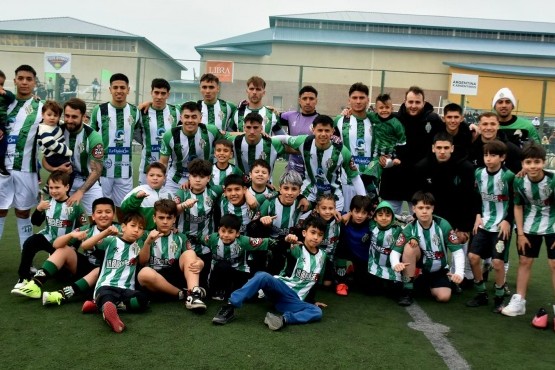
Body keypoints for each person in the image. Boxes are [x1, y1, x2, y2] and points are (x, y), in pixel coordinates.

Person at [212, 216, 328, 331]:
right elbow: (280, 248)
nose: (316, 237)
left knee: (316, 311)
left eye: (320, 234)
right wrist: (287, 240)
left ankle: (281, 320)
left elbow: (314, 281)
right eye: (313, 232)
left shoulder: (323, 256)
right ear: (304, 233)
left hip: (292, 301)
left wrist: (312, 301)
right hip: (281, 288)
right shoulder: (296, 247)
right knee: (262, 276)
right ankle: (229, 307)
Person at [12, 197, 117, 305]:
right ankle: (36, 284)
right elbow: (56, 244)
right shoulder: (87, 229)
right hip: (86, 268)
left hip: (109, 273)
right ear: (93, 216)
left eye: (108, 212)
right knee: (64, 249)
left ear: (113, 215)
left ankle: (61, 295)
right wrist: (71, 235)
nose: (103, 215)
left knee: (98, 270)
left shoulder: (121, 229)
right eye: (99, 212)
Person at [501, 143, 555, 317]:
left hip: (553, 225)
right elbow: (517, 206)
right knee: (525, 261)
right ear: (523, 164)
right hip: (529, 225)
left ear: (544, 162)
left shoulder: (552, 180)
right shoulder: (519, 180)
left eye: (537, 162)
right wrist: (521, 234)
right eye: (529, 162)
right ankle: (519, 302)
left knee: (554, 264)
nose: (533, 166)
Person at [11, 171, 87, 290]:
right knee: (30, 243)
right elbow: (35, 222)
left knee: (62, 277)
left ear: (67, 187)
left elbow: (82, 230)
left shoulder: (75, 206)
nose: (53, 191)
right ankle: (24, 277)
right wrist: (38, 209)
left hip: (64, 245)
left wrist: (74, 247)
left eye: (57, 187)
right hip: (48, 237)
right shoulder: (47, 203)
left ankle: (54, 262)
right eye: (51, 187)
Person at [274, 115, 366, 211]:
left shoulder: (342, 151)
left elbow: (355, 177)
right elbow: (284, 138)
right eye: (320, 130)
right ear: (313, 130)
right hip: (309, 191)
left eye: (327, 130)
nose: (323, 134)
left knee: (332, 223)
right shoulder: (304, 141)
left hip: (333, 194)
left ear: (332, 131)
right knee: (301, 219)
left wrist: (364, 199)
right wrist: (264, 137)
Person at [391, 191, 464, 306]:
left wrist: (459, 272)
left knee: (444, 297)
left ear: (432, 209)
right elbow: (395, 251)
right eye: (420, 208)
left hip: (439, 270)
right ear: (414, 209)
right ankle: (407, 290)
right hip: (422, 267)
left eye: (427, 207)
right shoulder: (409, 228)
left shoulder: (443, 225)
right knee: (409, 247)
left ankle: (428, 282)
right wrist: (395, 263)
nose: (424, 211)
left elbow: (458, 251)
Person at [466, 140, 515, 313]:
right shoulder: (479, 173)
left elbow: (515, 202)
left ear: (502, 157)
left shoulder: (509, 177)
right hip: (484, 223)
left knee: (497, 262)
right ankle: (481, 294)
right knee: (472, 257)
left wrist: (508, 220)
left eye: (493, 155)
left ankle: (500, 297)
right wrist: (478, 215)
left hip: (502, 226)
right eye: (486, 155)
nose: (488, 158)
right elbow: (476, 197)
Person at [379, 86, 444, 215]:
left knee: (416, 222)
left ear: (424, 103)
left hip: (419, 180)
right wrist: (348, 113)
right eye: (410, 102)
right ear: (404, 101)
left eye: (417, 102)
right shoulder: (393, 118)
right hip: (394, 179)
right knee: (388, 220)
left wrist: (469, 126)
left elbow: (447, 135)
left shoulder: (433, 120)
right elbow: (370, 120)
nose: (413, 105)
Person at [0, 65, 43, 250]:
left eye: (28, 79)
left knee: (23, 212)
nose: (24, 82)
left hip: (26, 169)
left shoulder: (41, 107)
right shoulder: (4, 102)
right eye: (20, 78)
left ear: (34, 82)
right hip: (2, 169)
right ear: (15, 80)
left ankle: (27, 262)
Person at [137, 199, 207, 311]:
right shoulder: (145, 235)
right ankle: (183, 294)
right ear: (154, 218)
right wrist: (148, 242)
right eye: (161, 218)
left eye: (169, 218)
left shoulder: (180, 236)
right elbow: (142, 261)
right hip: (155, 279)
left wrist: (200, 263)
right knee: (144, 274)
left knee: (190, 253)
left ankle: (193, 295)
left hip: (175, 275)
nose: (165, 221)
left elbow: (192, 257)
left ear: (174, 219)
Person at [41, 98, 104, 217]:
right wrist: (55, 169)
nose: (69, 120)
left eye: (74, 117)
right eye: (67, 116)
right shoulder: (57, 130)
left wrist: (81, 191)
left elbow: (97, 170)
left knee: (99, 216)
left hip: (88, 182)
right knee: (56, 218)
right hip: (63, 182)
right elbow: (45, 159)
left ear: (83, 116)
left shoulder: (93, 137)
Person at [90, 73, 141, 221]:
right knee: (100, 209)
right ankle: (99, 240)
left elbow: (139, 132)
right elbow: (91, 137)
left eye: (122, 87)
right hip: (102, 170)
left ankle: (121, 239)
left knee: (123, 208)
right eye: (116, 87)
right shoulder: (99, 110)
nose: (119, 90)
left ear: (128, 90)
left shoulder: (135, 111)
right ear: (110, 89)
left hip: (124, 169)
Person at [88, 212, 149, 333]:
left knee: (143, 299)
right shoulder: (111, 240)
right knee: (107, 297)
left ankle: (102, 307)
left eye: (140, 228)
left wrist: (148, 241)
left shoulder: (139, 245)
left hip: (126, 288)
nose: (136, 230)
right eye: (133, 225)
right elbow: (86, 245)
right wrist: (105, 233)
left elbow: (143, 261)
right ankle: (110, 313)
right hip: (107, 285)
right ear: (123, 226)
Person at [336, 198, 403, 297]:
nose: (359, 216)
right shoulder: (344, 220)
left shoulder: (372, 224)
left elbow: (386, 222)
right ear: (351, 210)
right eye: (356, 212)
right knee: (341, 244)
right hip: (349, 253)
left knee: (372, 290)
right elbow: (330, 212)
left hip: (366, 260)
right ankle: (341, 282)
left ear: (369, 214)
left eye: (363, 213)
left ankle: (352, 271)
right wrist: (347, 214)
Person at [175, 159, 224, 287]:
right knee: (182, 282)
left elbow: (237, 186)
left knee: (204, 285)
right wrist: (182, 206)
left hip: (205, 245)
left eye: (202, 177)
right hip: (184, 243)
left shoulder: (214, 191)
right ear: (189, 177)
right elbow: (170, 211)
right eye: (194, 176)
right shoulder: (182, 192)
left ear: (208, 178)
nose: (197, 180)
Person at [202, 214, 274, 300]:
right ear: (218, 230)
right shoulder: (212, 238)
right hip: (217, 274)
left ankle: (234, 291)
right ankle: (219, 291)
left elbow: (265, 242)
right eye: (223, 231)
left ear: (237, 233)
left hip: (237, 272)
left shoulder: (243, 241)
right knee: (223, 265)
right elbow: (199, 239)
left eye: (230, 232)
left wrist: (285, 241)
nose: (226, 235)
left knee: (251, 297)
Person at [159, 101, 224, 194]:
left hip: (203, 178)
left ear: (200, 118)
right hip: (176, 180)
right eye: (186, 117)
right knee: (170, 206)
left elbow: (226, 144)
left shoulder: (211, 131)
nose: (190, 120)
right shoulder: (170, 135)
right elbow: (163, 163)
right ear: (181, 118)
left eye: (194, 117)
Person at [334, 83, 374, 211]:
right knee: (346, 216)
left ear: (368, 99)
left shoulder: (376, 121)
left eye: (362, 98)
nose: (358, 101)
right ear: (349, 100)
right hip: (345, 179)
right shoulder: (340, 120)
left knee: (368, 216)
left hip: (370, 179)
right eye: (354, 98)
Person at [133, 78, 180, 184]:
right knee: (146, 199)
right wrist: (146, 142)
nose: (159, 97)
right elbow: (134, 132)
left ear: (168, 94)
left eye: (163, 93)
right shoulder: (142, 112)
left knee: (166, 200)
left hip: (170, 168)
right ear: (151, 93)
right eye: (156, 93)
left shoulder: (176, 111)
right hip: (147, 166)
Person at [258, 171, 305, 274]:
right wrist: (263, 221)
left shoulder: (301, 204)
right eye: (286, 188)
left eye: (294, 189)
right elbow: (255, 226)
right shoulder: (269, 203)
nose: (289, 192)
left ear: (299, 191)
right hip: (271, 242)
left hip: (289, 242)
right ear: (280, 188)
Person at [365, 93, 406, 203]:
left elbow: (402, 142)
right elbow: (361, 114)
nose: (384, 110)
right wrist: (347, 111)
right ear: (376, 109)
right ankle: (374, 198)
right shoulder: (373, 117)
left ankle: (376, 199)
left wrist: (397, 157)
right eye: (381, 108)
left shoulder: (396, 124)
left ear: (392, 108)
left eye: (387, 107)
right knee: (368, 177)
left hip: (390, 157)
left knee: (372, 177)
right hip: (375, 156)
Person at [279, 85, 320, 176]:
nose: (308, 102)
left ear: (316, 101)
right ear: (299, 101)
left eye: (311, 99)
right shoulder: (290, 116)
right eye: (304, 98)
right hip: (293, 168)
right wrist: (271, 110)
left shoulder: (320, 120)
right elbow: (271, 118)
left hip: (312, 169)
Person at [121, 162, 174, 231]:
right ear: (146, 177)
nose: (155, 178)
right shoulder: (138, 190)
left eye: (159, 176)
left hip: (163, 234)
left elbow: (173, 215)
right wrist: (136, 198)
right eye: (151, 175)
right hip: (142, 234)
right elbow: (124, 208)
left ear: (164, 177)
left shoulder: (169, 194)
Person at [37, 100, 74, 192]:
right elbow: (50, 143)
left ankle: (47, 186)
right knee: (68, 172)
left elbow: (60, 123)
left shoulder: (53, 125)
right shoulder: (44, 129)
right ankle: (63, 189)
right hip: (55, 156)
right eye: (49, 115)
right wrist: (67, 151)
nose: (52, 118)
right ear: (42, 115)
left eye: (55, 115)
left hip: (55, 156)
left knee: (58, 172)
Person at [0, 70, 16, 176]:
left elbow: (13, 97)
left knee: (3, 145)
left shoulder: (5, 95)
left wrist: (4, 92)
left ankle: (1, 165)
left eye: (1, 84)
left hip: (2, 124)